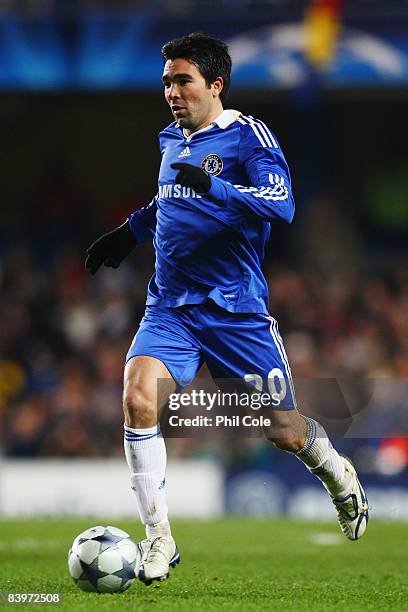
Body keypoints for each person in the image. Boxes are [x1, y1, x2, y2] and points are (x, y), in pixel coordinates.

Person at [85, 33, 369, 585]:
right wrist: (129, 231)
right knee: (138, 397)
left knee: (284, 432)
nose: (171, 91)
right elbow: (168, 200)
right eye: (166, 80)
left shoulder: (248, 137)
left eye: (182, 79)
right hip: (170, 307)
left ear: (214, 84)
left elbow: (281, 205)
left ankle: (337, 473)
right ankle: (159, 539)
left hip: (235, 312)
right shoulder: (171, 137)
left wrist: (217, 189)